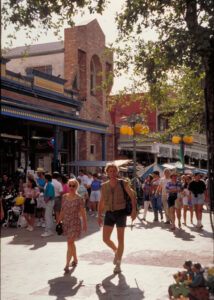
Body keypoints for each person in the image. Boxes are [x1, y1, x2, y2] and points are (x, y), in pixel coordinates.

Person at [97, 163, 136, 274]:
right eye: (110, 171)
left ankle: (118, 263)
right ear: (107, 172)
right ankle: (116, 251)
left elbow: (132, 197)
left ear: (117, 172)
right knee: (105, 239)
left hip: (121, 213)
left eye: (114, 171)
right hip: (109, 213)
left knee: (120, 239)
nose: (113, 173)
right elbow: (101, 201)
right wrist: (99, 216)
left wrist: (134, 211)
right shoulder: (104, 186)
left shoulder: (123, 183)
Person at [58, 178, 87, 272]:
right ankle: (75, 259)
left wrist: (85, 225)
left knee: (69, 242)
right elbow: (62, 209)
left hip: (75, 222)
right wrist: (59, 221)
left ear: (76, 187)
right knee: (71, 242)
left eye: (73, 185)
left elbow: (83, 212)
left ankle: (67, 264)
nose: (71, 187)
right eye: (70, 185)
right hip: (66, 221)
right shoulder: (64, 197)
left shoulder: (79, 198)